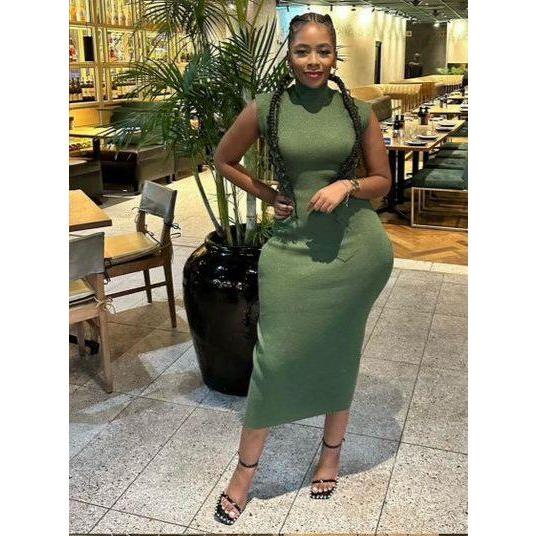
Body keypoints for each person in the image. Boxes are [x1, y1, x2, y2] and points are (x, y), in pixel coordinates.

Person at [212, 12, 394, 525]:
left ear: (335, 55)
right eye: (303, 51)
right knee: (273, 360)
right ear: (288, 55)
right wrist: (268, 192)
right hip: (290, 251)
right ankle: (245, 472)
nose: (314, 61)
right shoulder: (266, 107)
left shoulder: (357, 112)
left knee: (340, 351)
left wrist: (347, 185)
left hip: (354, 251)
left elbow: (381, 180)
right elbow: (224, 159)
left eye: (323, 51)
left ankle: (331, 455)